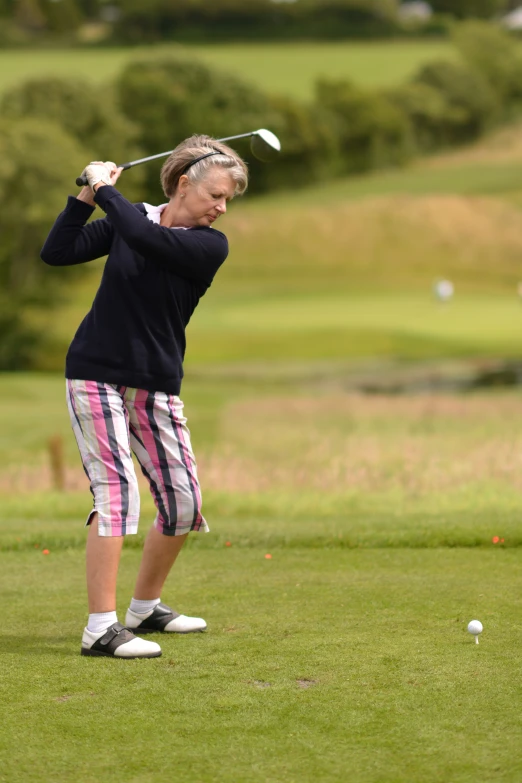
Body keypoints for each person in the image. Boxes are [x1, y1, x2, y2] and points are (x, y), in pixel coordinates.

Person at [41, 136, 248, 659]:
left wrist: (105, 187)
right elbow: (58, 252)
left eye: (229, 201)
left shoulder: (209, 246)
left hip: (155, 382)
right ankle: (100, 628)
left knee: (183, 503)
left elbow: (145, 238)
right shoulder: (129, 215)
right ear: (184, 184)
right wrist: (87, 198)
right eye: (217, 196)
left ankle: (143, 609)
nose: (222, 209)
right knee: (117, 495)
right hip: (95, 373)